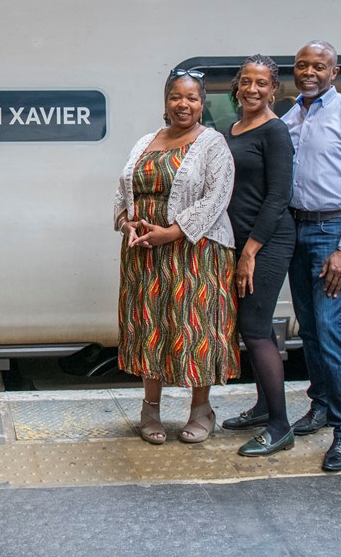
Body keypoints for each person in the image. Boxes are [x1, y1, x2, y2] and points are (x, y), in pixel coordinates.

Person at [114, 68, 238, 445]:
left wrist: (172, 232)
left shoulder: (213, 144)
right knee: (151, 330)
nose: (183, 104)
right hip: (145, 256)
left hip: (195, 253)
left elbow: (217, 198)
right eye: (176, 97)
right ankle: (150, 410)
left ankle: (202, 411)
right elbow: (123, 193)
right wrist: (126, 225)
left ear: (202, 104)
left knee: (193, 329)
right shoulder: (145, 142)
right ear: (165, 102)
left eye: (192, 98)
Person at [281, 40, 341, 472]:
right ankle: (320, 405)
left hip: (331, 233)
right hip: (295, 230)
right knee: (312, 328)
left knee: (331, 327)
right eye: (302, 65)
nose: (309, 72)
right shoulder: (289, 119)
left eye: (318, 66)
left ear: (334, 72)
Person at [220, 56, 297, 456]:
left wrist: (250, 250)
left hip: (267, 242)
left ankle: (280, 426)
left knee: (254, 328)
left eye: (261, 83)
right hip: (238, 242)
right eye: (246, 82)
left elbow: (278, 196)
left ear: (274, 90)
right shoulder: (231, 129)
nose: (252, 89)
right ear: (237, 86)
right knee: (257, 328)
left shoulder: (275, 131)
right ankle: (265, 407)